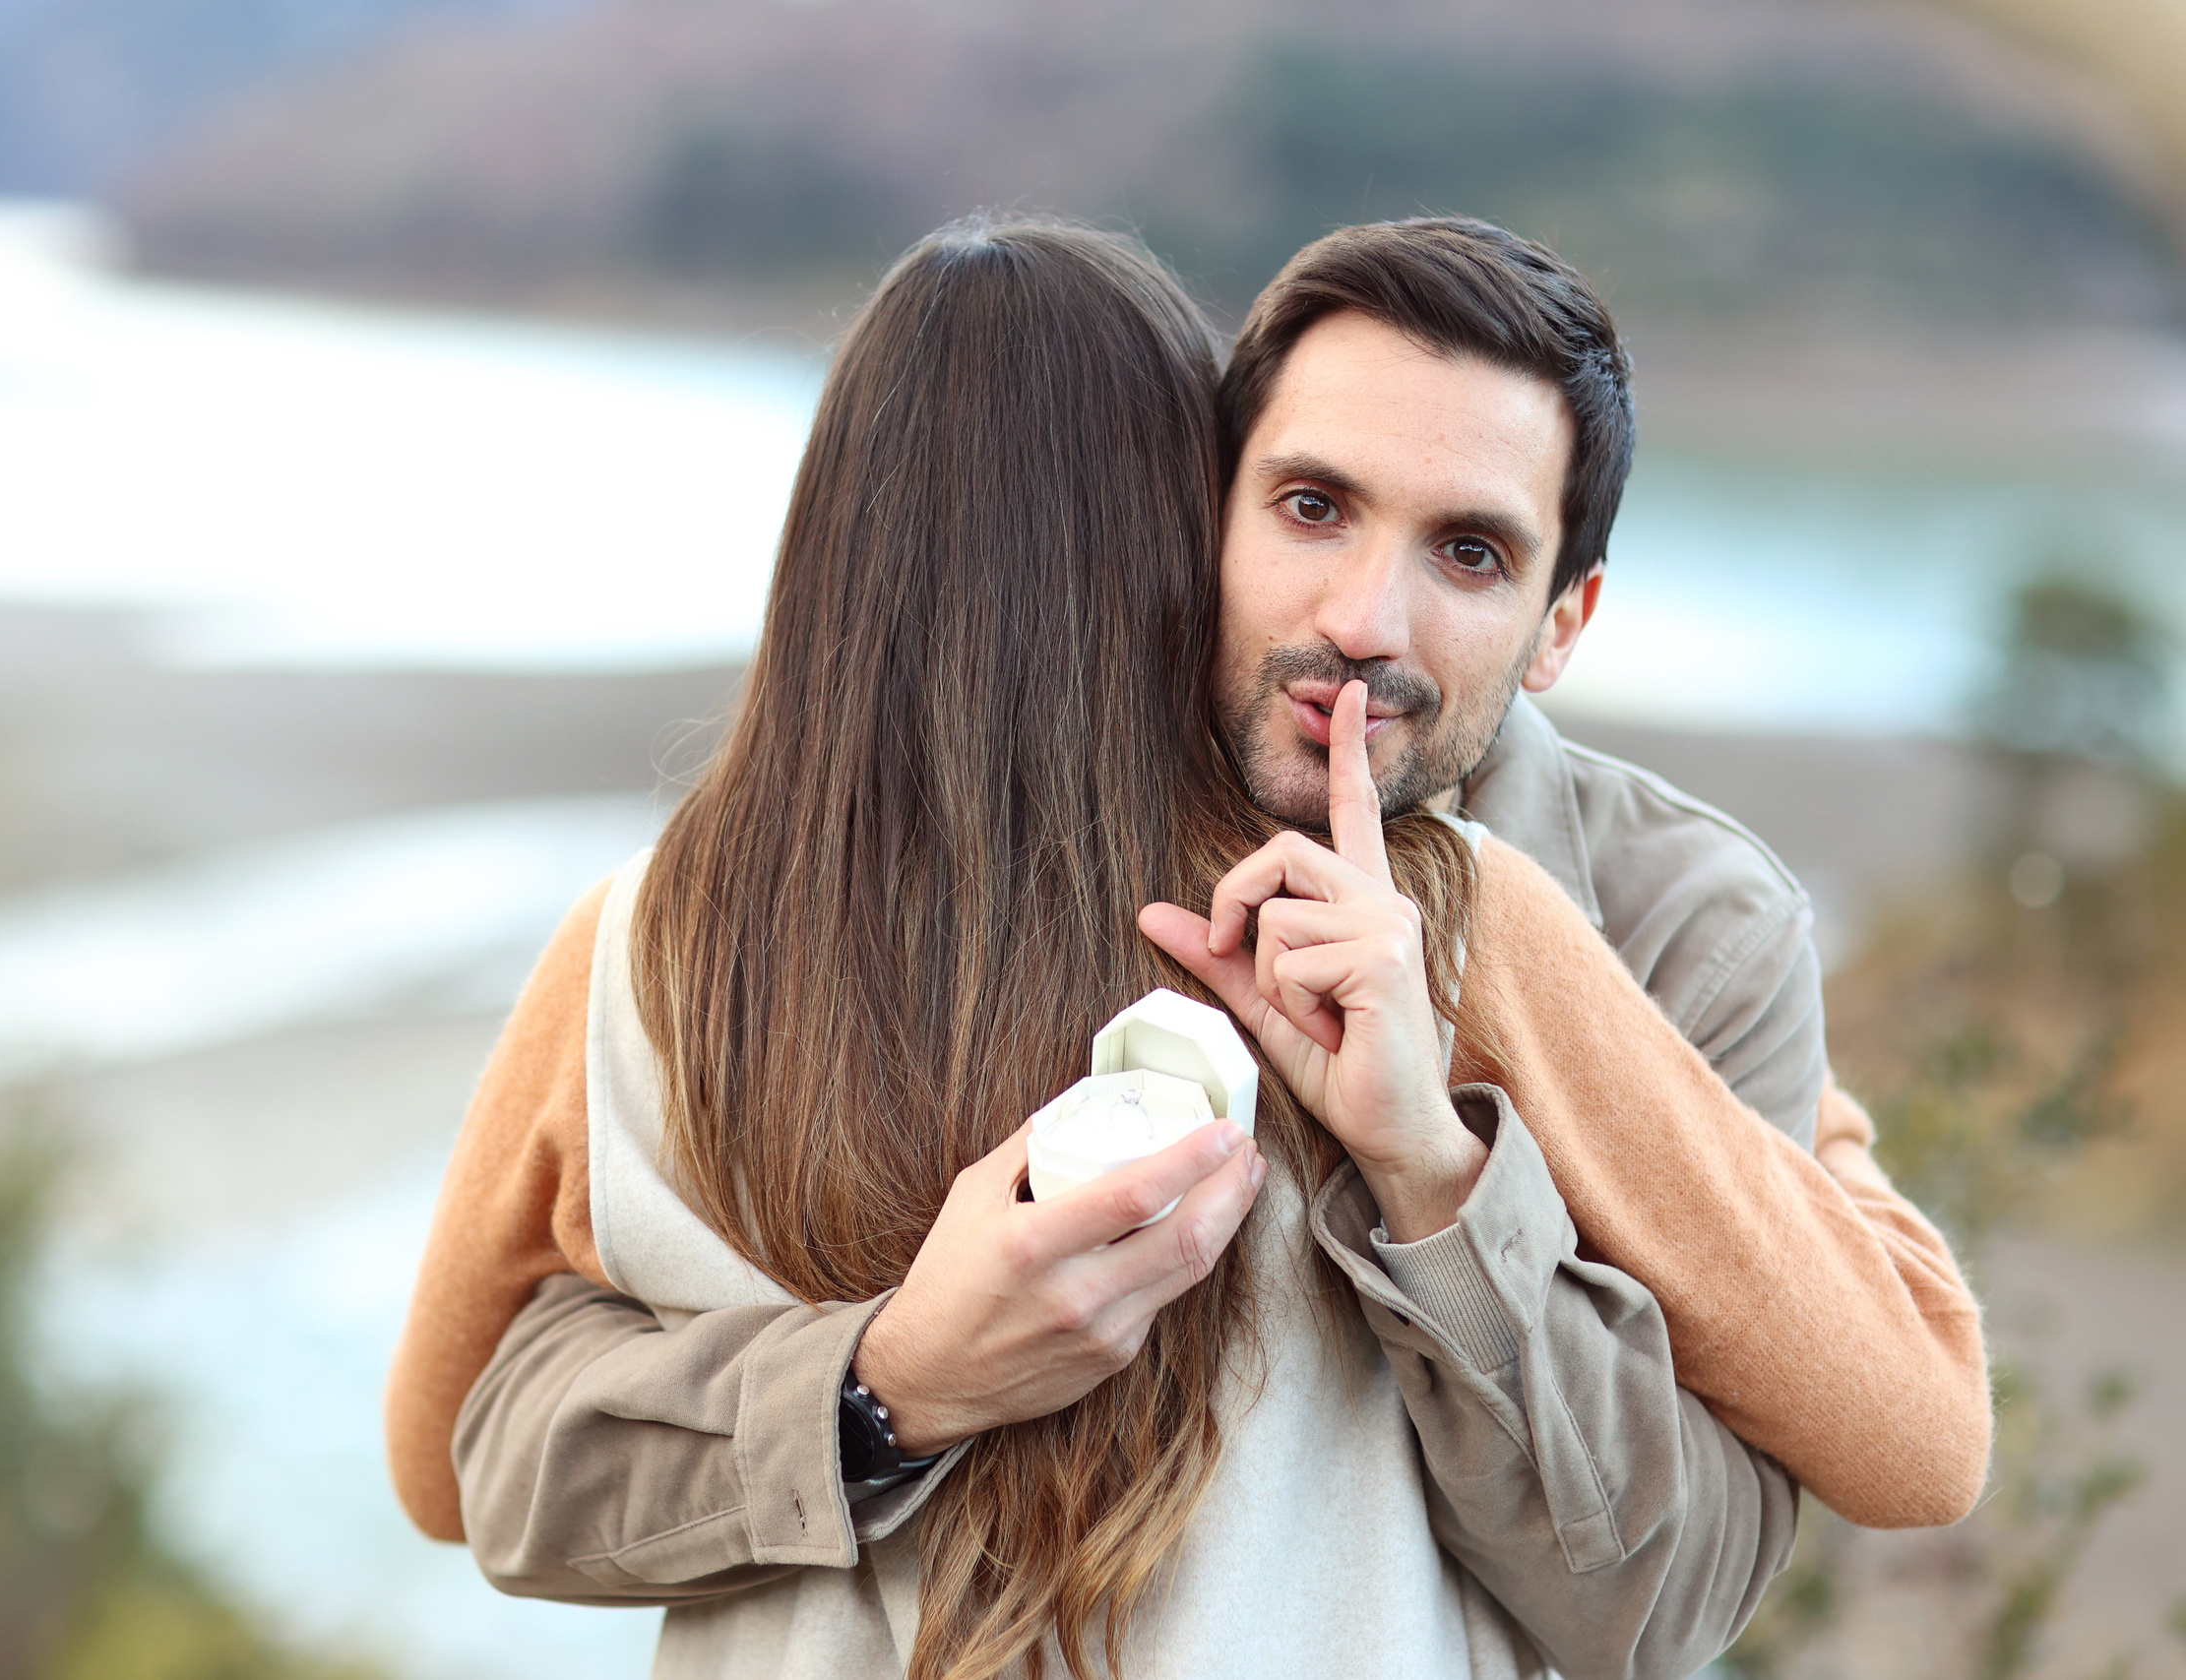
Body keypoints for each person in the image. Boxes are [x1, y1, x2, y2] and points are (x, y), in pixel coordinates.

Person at [387, 219, 1985, 1680]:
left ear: (1565, 620)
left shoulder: (1677, 923)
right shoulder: (719, 941)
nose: (1364, 616)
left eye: (1471, 554)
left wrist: (1456, 1155)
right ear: (1188, 517)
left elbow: (1812, 1504)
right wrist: (882, 1390)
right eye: (1309, 507)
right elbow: (468, 1454)